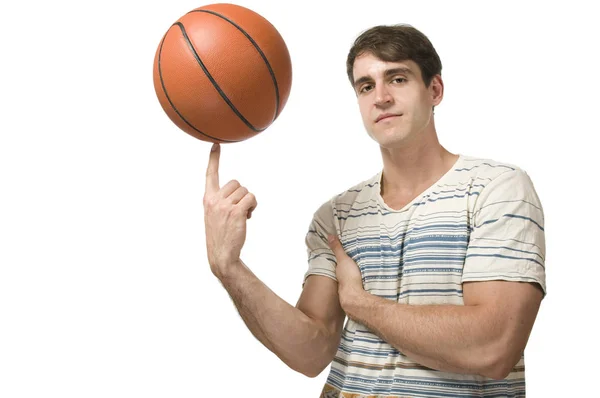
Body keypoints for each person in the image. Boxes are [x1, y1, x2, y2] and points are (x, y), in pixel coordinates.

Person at [203, 24, 546, 397]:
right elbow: (311, 352)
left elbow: (492, 347)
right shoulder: (336, 215)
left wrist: (358, 303)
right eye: (366, 86)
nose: (380, 97)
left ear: (435, 90)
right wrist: (229, 267)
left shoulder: (496, 189)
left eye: (397, 79)